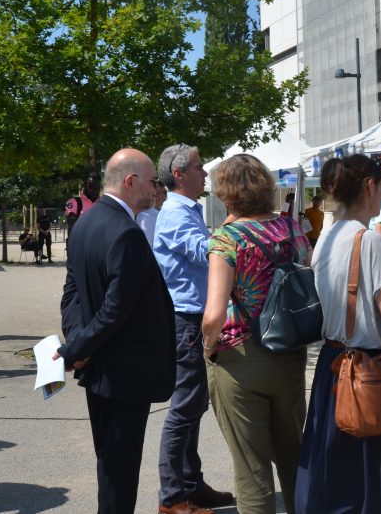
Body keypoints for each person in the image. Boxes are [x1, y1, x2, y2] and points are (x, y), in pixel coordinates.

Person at [53, 149, 176, 514]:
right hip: (124, 372)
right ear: (130, 181)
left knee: (109, 461)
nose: (156, 188)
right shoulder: (126, 233)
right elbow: (115, 309)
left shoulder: (87, 223)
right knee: (119, 469)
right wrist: (78, 348)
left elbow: (72, 294)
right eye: (153, 180)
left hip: (100, 368)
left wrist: (80, 342)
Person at [295, 154, 381, 513]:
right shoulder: (370, 241)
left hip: (333, 363)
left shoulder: (327, 236)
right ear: (369, 186)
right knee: (373, 482)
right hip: (369, 370)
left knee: (336, 473)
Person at [201, 154, 312, 514]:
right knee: (294, 458)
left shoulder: (227, 239)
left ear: (226, 193)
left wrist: (207, 344)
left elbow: (214, 313)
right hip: (289, 352)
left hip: (242, 356)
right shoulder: (292, 229)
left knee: (252, 470)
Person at [153, 143, 234, 514]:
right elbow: (205, 252)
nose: (206, 173)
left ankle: (190, 484)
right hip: (185, 320)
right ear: (179, 174)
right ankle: (173, 498)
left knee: (194, 405)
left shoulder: (184, 209)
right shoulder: (173, 213)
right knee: (185, 408)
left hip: (192, 318)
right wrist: (235, 226)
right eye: (200, 167)